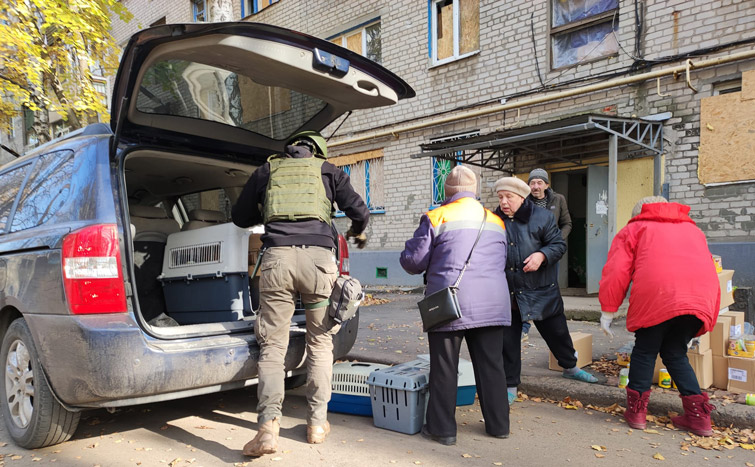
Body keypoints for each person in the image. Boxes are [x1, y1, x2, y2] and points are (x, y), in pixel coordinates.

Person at [232, 130, 369, 457]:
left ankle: (267, 426)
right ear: (317, 151)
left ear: (289, 152)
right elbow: (360, 212)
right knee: (321, 341)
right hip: (319, 262)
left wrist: (265, 213)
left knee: (273, 345)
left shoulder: (267, 171)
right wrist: (357, 231)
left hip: (278, 260)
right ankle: (317, 423)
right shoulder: (330, 171)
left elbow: (239, 217)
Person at [400, 165, 511, 445]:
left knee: (445, 366)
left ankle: (443, 430)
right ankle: (499, 426)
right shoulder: (495, 220)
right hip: (493, 304)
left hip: (450, 302)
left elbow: (413, 262)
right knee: (492, 366)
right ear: (474, 191)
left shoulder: (437, 216)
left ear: (447, 192)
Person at [598, 196, 720, 436]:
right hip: (699, 298)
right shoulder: (693, 229)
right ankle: (700, 418)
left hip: (658, 296)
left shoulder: (635, 227)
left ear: (638, 213)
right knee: (675, 353)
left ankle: (636, 414)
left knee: (644, 351)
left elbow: (616, 271)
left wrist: (608, 310)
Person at [495, 176, 598, 406]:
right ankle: (510, 383)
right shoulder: (494, 221)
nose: (503, 202)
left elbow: (558, 245)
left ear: (521, 198)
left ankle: (570, 367)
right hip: (509, 291)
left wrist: (542, 255)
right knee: (508, 341)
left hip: (540, 288)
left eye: (508, 197)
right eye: (500, 197)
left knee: (557, 332)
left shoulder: (542, 217)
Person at [521, 168, 573, 342]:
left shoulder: (558, 200)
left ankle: (551, 325)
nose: (535, 186)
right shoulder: (524, 202)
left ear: (546, 185)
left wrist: (556, 240)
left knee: (548, 286)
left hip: (550, 253)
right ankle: (525, 326)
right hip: (529, 252)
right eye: (532, 183)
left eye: (539, 182)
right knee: (526, 286)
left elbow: (567, 223)